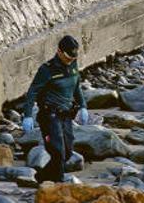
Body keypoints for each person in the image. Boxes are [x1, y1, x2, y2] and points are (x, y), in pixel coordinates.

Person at [22, 35, 89, 183]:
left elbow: (76, 86)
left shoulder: (73, 64)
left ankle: (42, 178)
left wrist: (83, 106)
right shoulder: (47, 69)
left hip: (66, 115)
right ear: (59, 51)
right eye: (67, 57)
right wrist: (27, 115)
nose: (70, 60)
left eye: (73, 57)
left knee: (68, 153)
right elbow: (32, 92)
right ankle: (59, 185)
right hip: (50, 117)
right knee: (57, 152)